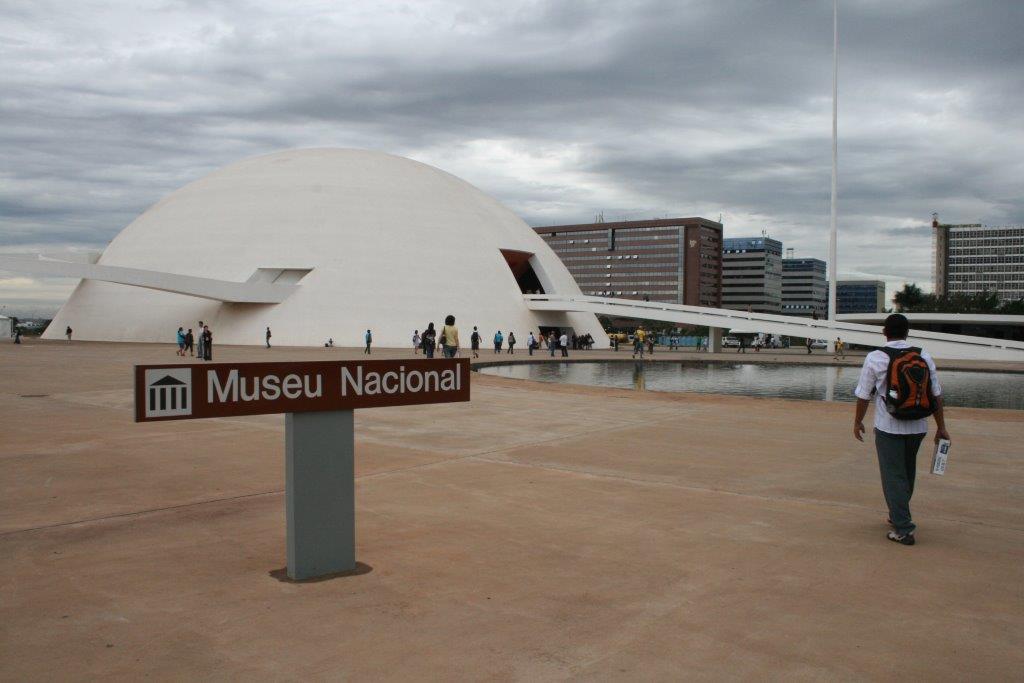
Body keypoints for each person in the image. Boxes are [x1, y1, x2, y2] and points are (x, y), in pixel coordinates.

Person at [853, 314, 949, 546]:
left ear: (884, 332)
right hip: (918, 425)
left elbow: (864, 395)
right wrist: (941, 427)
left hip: (889, 426)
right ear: (907, 332)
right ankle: (898, 513)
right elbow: (936, 395)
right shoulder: (923, 355)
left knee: (893, 476)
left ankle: (904, 529)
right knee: (907, 472)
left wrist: (857, 421)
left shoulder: (876, 357)